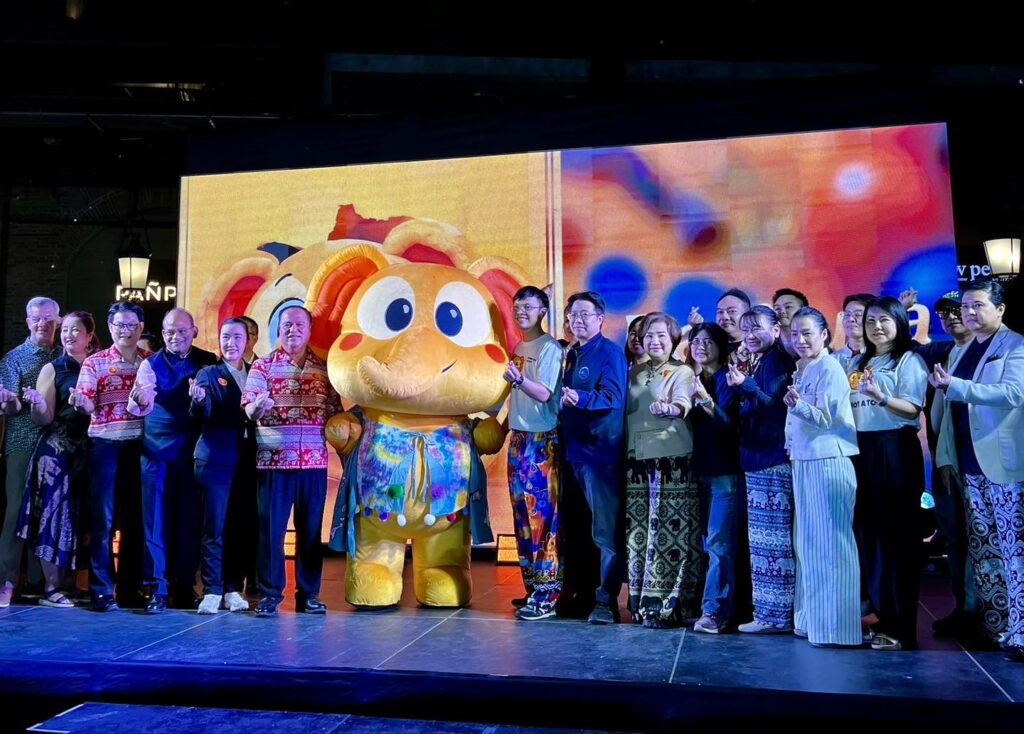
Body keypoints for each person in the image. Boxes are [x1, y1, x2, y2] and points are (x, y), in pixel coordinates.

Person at [932, 279, 1024, 663]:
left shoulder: (1015, 345)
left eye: (978, 305)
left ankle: (1021, 630)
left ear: (1000, 309)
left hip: (1003, 463)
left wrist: (958, 386)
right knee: (986, 551)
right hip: (970, 464)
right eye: (965, 306)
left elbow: (1014, 394)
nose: (969, 312)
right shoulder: (964, 349)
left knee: (1014, 550)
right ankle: (996, 624)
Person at [242, 306, 340, 617]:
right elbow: (248, 408)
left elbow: (335, 414)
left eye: (299, 325)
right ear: (278, 330)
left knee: (310, 532)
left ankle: (309, 594)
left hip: (314, 464)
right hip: (274, 464)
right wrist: (257, 408)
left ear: (309, 330)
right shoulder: (263, 367)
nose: (292, 330)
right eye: (286, 325)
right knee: (271, 533)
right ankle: (269, 595)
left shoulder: (324, 369)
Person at [848, 296, 929, 651]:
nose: (876, 327)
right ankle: (881, 616)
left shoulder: (908, 359)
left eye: (884, 320)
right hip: (860, 450)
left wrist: (881, 397)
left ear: (898, 322)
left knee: (897, 542)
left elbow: (911, 408)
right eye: (870, 321)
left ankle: (902, 628)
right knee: (869, 538)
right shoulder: (858, 361)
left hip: (894, 449)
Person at [783, 307, 860, 647]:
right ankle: (813, 621)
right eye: (794, 334)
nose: (800, 340)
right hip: (804, 460)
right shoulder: (803, 368)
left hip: (828, 460)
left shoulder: (830, 368)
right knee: (809, 544)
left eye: (807, 333)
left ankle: (837, 628)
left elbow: (827, 417)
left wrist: (797, 405)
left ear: (825, 335)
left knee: (831, 544)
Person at [15, 311, 98, 608]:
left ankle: (71, 585)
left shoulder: (98, 365)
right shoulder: (54, 368)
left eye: (76, 330)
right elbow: (45, 417)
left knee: (80, 518)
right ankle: (51, 588)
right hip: (56, 452)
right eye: (65, 330)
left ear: (89, 336)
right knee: (54, 515)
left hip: (88, 452)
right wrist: (37, 404)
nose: (68, 335)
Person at [625, 312, 700, 628]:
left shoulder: (682, 371)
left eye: (661, 336)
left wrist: (671, 409)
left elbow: (684, 402)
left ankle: (668, 606)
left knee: (670, 537)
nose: (654, 341)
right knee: (639, 535)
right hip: (636, 463)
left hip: (671, 462)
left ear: (673, 340)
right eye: (649, 336)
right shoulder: (634, 372)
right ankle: (641, 602)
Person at [559, 291, 627, 625]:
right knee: (577, 530)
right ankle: (580, 595)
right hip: (572, 452)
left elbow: (614, 396)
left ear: (600, 318)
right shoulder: (570, 353)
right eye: (573, 315)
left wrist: (581, 398)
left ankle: (606, 601)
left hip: (600, 455)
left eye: (585, 314)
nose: (578, 320)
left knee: (604, 532)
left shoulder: (610, 352)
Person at [502, 286, 563, 621]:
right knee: (522, 517)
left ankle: (548, 592)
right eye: (517, 307)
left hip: (541, 442)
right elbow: (515, 397)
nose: (520, 312)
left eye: (528, 306)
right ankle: (532, 586)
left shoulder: (550, 348)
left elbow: (544, 393)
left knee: (543, 519)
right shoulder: (518, 348)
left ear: (543, 311)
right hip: (518, 440)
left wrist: (519, 380)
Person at [190, 318, 257, 614]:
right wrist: (198, 400)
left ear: (248, 341)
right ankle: (212, 589)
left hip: (247, 461)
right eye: (226, 337)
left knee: (240, 526)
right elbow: (201, 412)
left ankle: (233, 588)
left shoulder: (256, 372)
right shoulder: (209, 373)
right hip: (215, 459)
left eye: (237, 337)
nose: (231, 343)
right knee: (214, 526)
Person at [0, 296, 62, 606]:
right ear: (27, 321)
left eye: (49, 319)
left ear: (58, 321)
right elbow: (9, 408)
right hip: (23, 442)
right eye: (36, 318)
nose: (43, 324)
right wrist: (10, 401)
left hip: (59, 446)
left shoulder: (65, 354)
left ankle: (39, 583)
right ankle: (6, 581)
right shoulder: (14, 358)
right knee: (16, 513)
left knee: (48, 514)